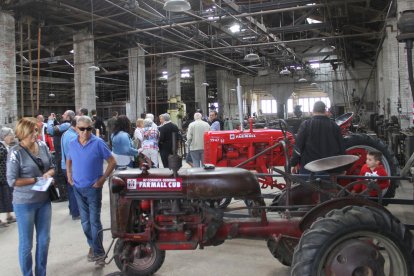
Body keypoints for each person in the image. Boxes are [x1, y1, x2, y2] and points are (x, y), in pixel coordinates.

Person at [7, 117, 55, 276]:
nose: (35, 134)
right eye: (31, 132)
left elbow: (52, 167)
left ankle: (41, 273)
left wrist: (48, 173)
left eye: (36, 130)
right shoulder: (16, 152)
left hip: (44, 202)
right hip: (24, 203)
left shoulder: (42, 146)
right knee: (26, 244)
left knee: (44, 241)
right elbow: (12, 180)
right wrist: (36, 179)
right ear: (22, 133)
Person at [66, 116, 116, 267]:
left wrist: (102, 179)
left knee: (94, 221)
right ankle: (93, 246)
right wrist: (69, 174)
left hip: (93, 188)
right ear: (76, 129)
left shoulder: (98, 143)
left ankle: (99, 254)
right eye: (82, 129)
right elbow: (69, 159)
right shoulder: (72, 143)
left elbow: (112, 161)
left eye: (88, 129)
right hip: (78, 188)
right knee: (85, 222)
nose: (85, 132)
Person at [290, 101, 345, 174]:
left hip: (308, 168)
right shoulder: (334, 126)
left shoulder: (306, 125)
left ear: (313, 111)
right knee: (328, 185)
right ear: (325, 111)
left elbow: (298, 147)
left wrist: (293, 163)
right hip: (329, 168)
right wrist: (342, 168)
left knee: (306, 185)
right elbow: (341, 148)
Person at [47, 110, 75, 201]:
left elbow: (50, 130)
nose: (62, 115)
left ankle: (64, 195)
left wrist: (50, 120)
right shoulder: (65, 125)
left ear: (68, 117)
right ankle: (65, 194)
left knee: (59, 174)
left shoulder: (67, 125)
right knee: (60, 174)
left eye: (64, 114)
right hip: (60, 152)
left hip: (61, 153)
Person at [61, 117, 80, 220]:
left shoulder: (66, 133)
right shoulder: (73, 137)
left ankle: (72, 209)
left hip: (65, 166)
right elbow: (75, 155)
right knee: (74, 191)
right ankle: (76, 212)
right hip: (71, 167)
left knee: (70, 190)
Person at [0, 127, 16, 227]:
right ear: (5, 136)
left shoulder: (5, 146)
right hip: (1, 178)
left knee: (7, 198)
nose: (13, 137)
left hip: (5, 178)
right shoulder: (1, 148)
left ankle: (9, 216)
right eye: (11, 135)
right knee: (2, 199)